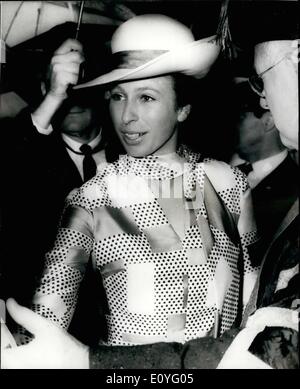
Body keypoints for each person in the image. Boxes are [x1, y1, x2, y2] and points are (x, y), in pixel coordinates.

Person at [2, 13, 259, 364]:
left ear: (183, 108)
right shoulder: (92, 198)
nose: (126, 116)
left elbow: (254, 304)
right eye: (118, 96)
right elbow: (49, 313)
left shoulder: (228, 183)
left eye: (147, 98)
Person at [0, 38, 108, 344]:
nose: (70, 98)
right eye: (60, 87)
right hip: (43, 335)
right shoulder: (24, 155)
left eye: (80, 84)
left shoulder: (136, 151)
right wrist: (54, 96)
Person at [230, 80, 298, 266]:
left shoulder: (293, 188)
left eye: (241, 116)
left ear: (269, 121)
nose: (232, 124)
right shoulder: (224, 173)